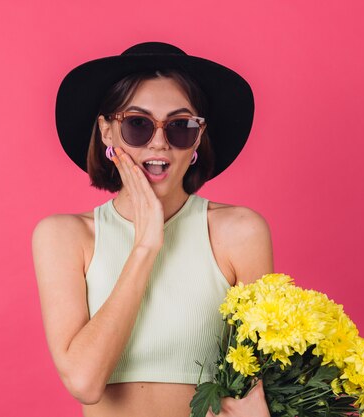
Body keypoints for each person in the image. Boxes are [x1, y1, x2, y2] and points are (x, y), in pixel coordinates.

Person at [32, 42, 274, 417]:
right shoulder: (66, 237)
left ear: (198, 138)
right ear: (107, 132)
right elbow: (84, 380)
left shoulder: (239, 232)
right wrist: (144, 246)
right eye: (137, 124)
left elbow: (261, 379)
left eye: (180, 126)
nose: (159, 142)